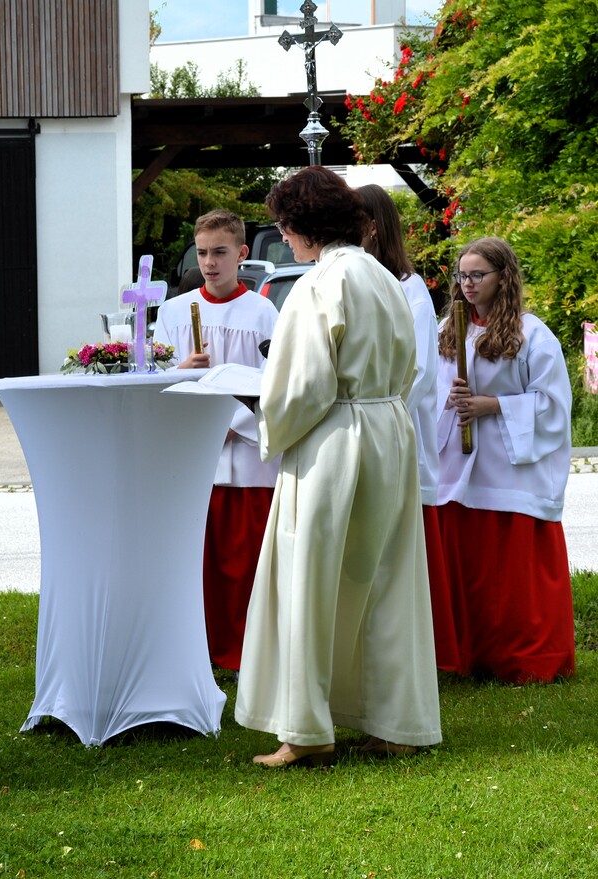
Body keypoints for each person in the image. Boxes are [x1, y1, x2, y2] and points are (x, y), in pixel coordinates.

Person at [234, 166, 442, 767]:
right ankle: (394, 722)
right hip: (387, 429)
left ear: (304, 225)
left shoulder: (319, 283)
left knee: (312, 574)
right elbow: (409, 366)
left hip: (336, 436)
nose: (283, 236)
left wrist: (267, 421)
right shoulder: (384, 276)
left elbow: (303, 386)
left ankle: (305, 730)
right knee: (385, 577)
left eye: (284, 226)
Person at [436, 237, 575, 684]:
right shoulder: (449, 330)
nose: (468, 283)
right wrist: (449, 400)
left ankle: (524, 658)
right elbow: (427, 391)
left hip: (511, 469)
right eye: (463, 275)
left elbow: (553, 405)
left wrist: (491, 405)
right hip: (461, 470)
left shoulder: (532, 334)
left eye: (478, 275)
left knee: (511, 576)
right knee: (472, 570)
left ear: (503, 277)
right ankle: (470, 655)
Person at [157, 209, 280, 673]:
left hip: (246, 454)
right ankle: (199, 650)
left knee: (244, 560)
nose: (209, 263)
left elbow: (275, 381)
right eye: (203, 253)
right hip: (194, 454)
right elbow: (156, 377)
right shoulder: (174, 312)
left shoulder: (263, 313)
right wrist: (179, 369)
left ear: (242, 254)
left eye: (220, 253)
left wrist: (231, 422)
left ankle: (247, 651)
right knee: (198, 560)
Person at [356, 184, 458, 672]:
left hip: (394, 431)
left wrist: (375, 414)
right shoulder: (358, 279)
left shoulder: (408, 288)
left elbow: (415, 372)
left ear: (373, 227)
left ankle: (416, 653)